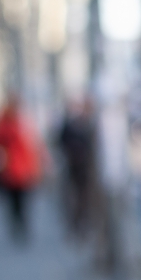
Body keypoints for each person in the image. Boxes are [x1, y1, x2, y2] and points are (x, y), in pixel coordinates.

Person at [0, 94, 44, 243]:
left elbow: (35, 145)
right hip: (9, 170)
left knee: (24, 201)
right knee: (13, 202)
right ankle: (17, 225)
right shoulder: (2, 124)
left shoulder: (25, 122)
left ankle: (22, 225)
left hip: (25, 170)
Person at [57, 97, 97, 237]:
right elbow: (61, 143)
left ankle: (83, 223)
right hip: (74, 167)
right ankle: (77, 224)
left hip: (86, 168)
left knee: (85, 198)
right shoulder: (70, 125)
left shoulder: (87, 124)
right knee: (76, 197)